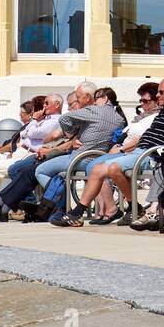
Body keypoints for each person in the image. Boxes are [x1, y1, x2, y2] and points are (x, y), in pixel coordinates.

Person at [63, 78, 164, 230]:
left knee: (112, 168)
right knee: (98, 168)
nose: (158, 95)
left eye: (161, 92)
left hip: (148, 155)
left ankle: (83, 212)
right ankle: (128, 207)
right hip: (138, 151)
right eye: (158, 92)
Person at [44, 83, 132, 226]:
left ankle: (60, 207)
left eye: (98, 97)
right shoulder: (119, 117)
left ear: (104, 99)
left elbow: (64, 119)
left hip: (81, 156)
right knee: (95, 169)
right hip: (100, 155)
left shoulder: (94, 110)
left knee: (40, 170)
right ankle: (108, 209)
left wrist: (70, 134)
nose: (95, 101)